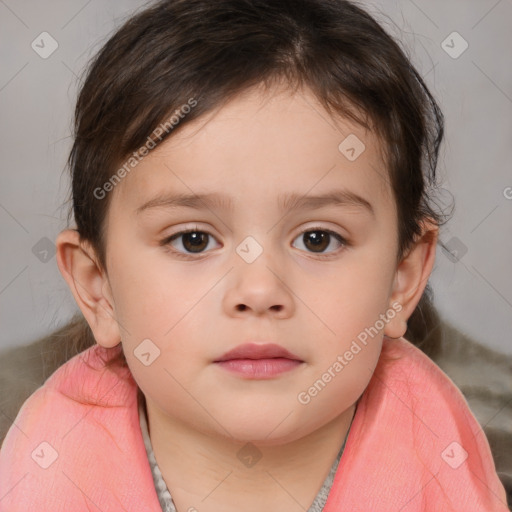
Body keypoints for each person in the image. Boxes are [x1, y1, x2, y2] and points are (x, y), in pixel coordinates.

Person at [0, 0, 508, 510]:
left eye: (318, 239)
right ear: (98, 288)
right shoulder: (43, 478)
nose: (259, 291)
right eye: (193, 239)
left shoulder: (457, 476)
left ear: (403, 279)